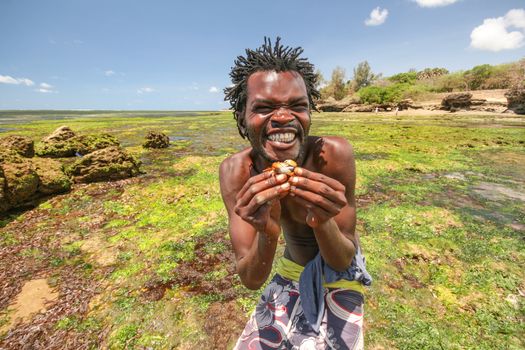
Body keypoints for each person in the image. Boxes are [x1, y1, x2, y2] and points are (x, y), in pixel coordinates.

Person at [220, 37, 372, 350]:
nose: (283, 117)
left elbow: (343, 258)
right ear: (241, 118)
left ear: (309, 111)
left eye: (297, 106)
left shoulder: (332, 155)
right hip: (292, 263)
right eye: (263, 108)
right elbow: (250, 279)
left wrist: (322, 221)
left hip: (340, 262)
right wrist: (268, 233)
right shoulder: (237, 172)